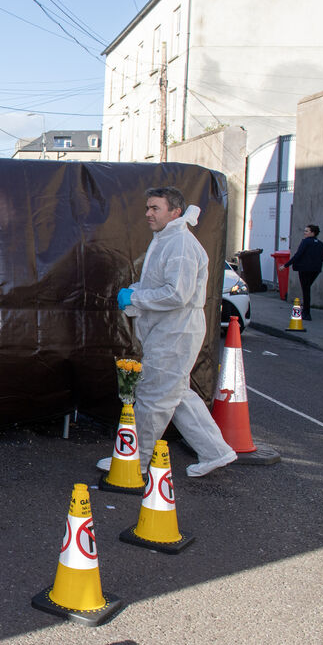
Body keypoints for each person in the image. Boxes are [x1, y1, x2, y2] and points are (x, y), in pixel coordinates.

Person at [116, 186, 236, 478]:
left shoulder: (180, 244)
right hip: (172, 331)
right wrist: (136, 292)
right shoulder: (167, 240)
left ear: (175, 212)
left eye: (155, 208)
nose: (148, 213)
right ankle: (216, 452)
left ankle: (135, 463)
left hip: (175, 333)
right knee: (178, 395)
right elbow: (163, 286)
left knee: (153, 397)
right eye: (147, 207)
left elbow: (176, 294)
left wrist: (135, 299)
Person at [284, 224, 323, 321]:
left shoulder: (305, 242)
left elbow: (298, 254)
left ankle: (306, 313)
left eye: (307, 231)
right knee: (307, 289)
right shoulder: (320, 244)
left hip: (304, 269)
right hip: (315, 270)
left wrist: (286, 265)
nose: (304, 232)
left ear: (312, 233)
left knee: (306, 290)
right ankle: (305, 311)